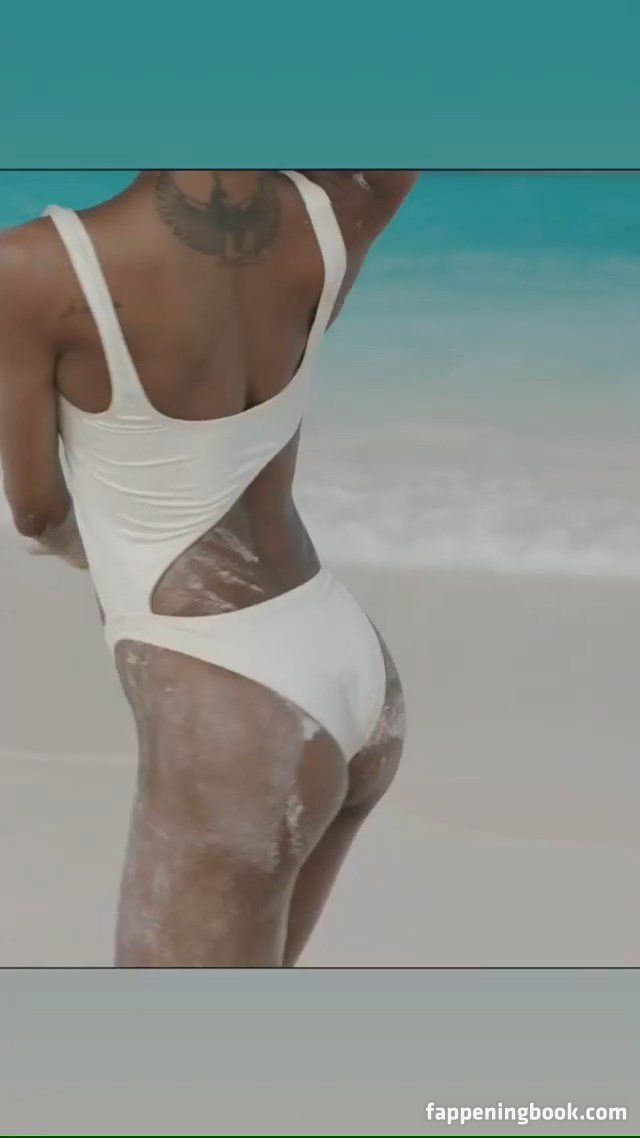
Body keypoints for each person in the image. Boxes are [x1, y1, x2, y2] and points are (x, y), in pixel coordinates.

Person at [0, 169, 419, 966]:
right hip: (350, 665)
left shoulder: (33, 267)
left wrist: (107, 560)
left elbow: (38, 511)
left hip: (230, 705)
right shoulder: (334, 211)